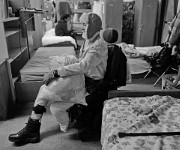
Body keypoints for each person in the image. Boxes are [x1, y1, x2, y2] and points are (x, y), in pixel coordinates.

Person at [8, 12, 108, 143]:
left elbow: (83, 66)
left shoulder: (98, 45)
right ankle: (34, 128)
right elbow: (81, 62)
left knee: (44, 91)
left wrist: (57, 72)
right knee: (55, 107)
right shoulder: (90, 41)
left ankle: (32, 129)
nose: (82, 27)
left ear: (92, 26)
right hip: (81, 79)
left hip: (87, 84)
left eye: (84, 24)